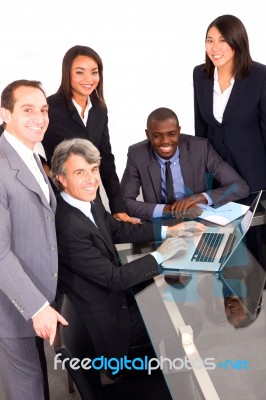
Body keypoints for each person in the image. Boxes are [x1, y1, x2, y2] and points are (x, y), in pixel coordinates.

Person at [51, 138, 206, 359]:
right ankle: (172, 374)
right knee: (189, 318)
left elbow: (117, 229)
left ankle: (164, 364)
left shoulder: (88, 201)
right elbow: (116, 279)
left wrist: (169, 229)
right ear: (61, 179)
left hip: (111, 296)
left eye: (94, 169)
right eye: (79, 172)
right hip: (107, 322)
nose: (91, 179)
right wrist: (160, 254)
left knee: (168, 292)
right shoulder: (67, 226)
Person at [0, 80, 68, 400]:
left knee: (37, 383)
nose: (39, 118)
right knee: (27, 390)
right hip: (13, 308)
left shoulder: (33, 155)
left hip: (39, 298)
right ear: (5, 114)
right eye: (27, 110)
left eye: (43, 110)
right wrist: (37, 306)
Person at [42, 45, 136, 223]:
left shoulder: (99, 108)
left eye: (94, 72)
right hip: (61, 198)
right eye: (79, 72)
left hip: (91, 196)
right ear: (67, 73)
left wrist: (118, 207)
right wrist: (42, 165)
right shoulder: (50, 107)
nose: (89, 79)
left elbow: (106, 158)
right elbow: (10, 133)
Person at [120, 107, 249, 222]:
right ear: (148, 134)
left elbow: (240, 186)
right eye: (157, 136)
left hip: (199, 220)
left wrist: (198, 198)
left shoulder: (201, 148)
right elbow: (124, 202)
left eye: (172, 134)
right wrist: (170, 210)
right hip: (161, 226)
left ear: (179, 131)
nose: (165, 141)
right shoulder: (137, 154)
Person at [193, 14, 266, 192]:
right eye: (210, 40)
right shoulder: (200, 75)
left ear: (237, 42)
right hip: (216, 175)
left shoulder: (260, 75)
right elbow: (201, 129)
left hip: (252, 173)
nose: (214, 47)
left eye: (222, 40)